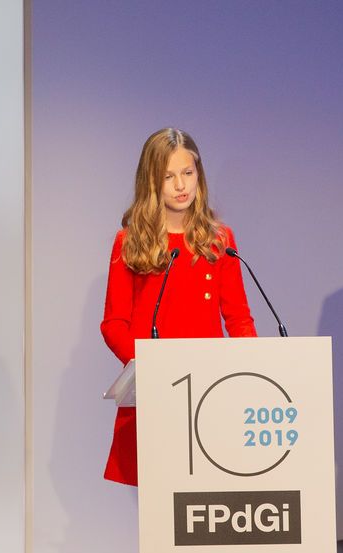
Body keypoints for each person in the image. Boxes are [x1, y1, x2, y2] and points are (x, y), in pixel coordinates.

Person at [100, 127, 256, 485]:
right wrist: (148, 371)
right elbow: (113, 324)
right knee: (162, 507)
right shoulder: (131, 242)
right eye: (168, 177)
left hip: (210, 389)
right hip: (156, 391)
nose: (181, 185)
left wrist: (252, 366)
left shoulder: (219, 240)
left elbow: (238, 317)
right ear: (151, 181)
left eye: (188, 173)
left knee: (206, 497)